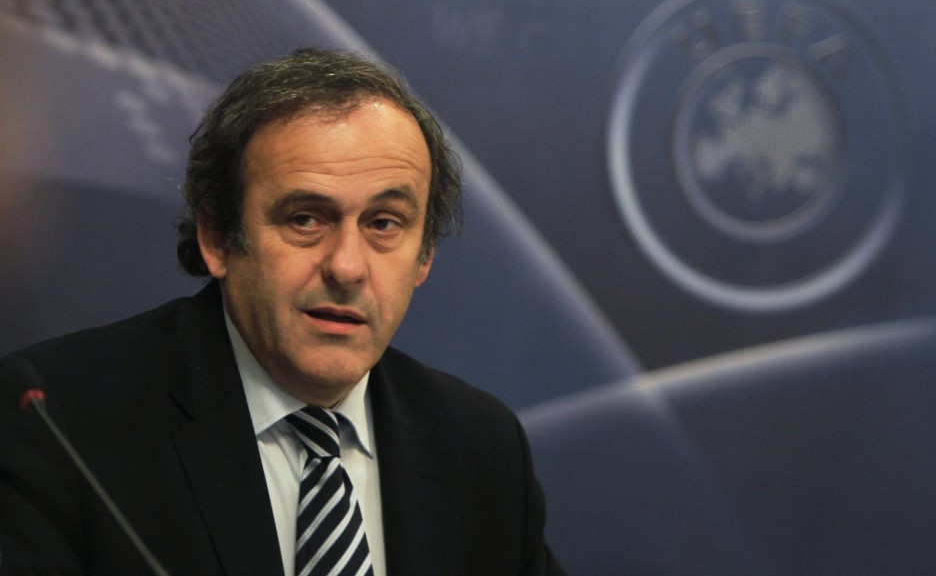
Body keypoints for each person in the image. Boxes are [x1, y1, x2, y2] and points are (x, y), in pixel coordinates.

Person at [0, 49, 566, 575]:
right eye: (305, 219)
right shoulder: (62, 421)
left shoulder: (481, 448)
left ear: (424, 257)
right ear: (218, 237)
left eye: (384, 224)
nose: (346, 267)